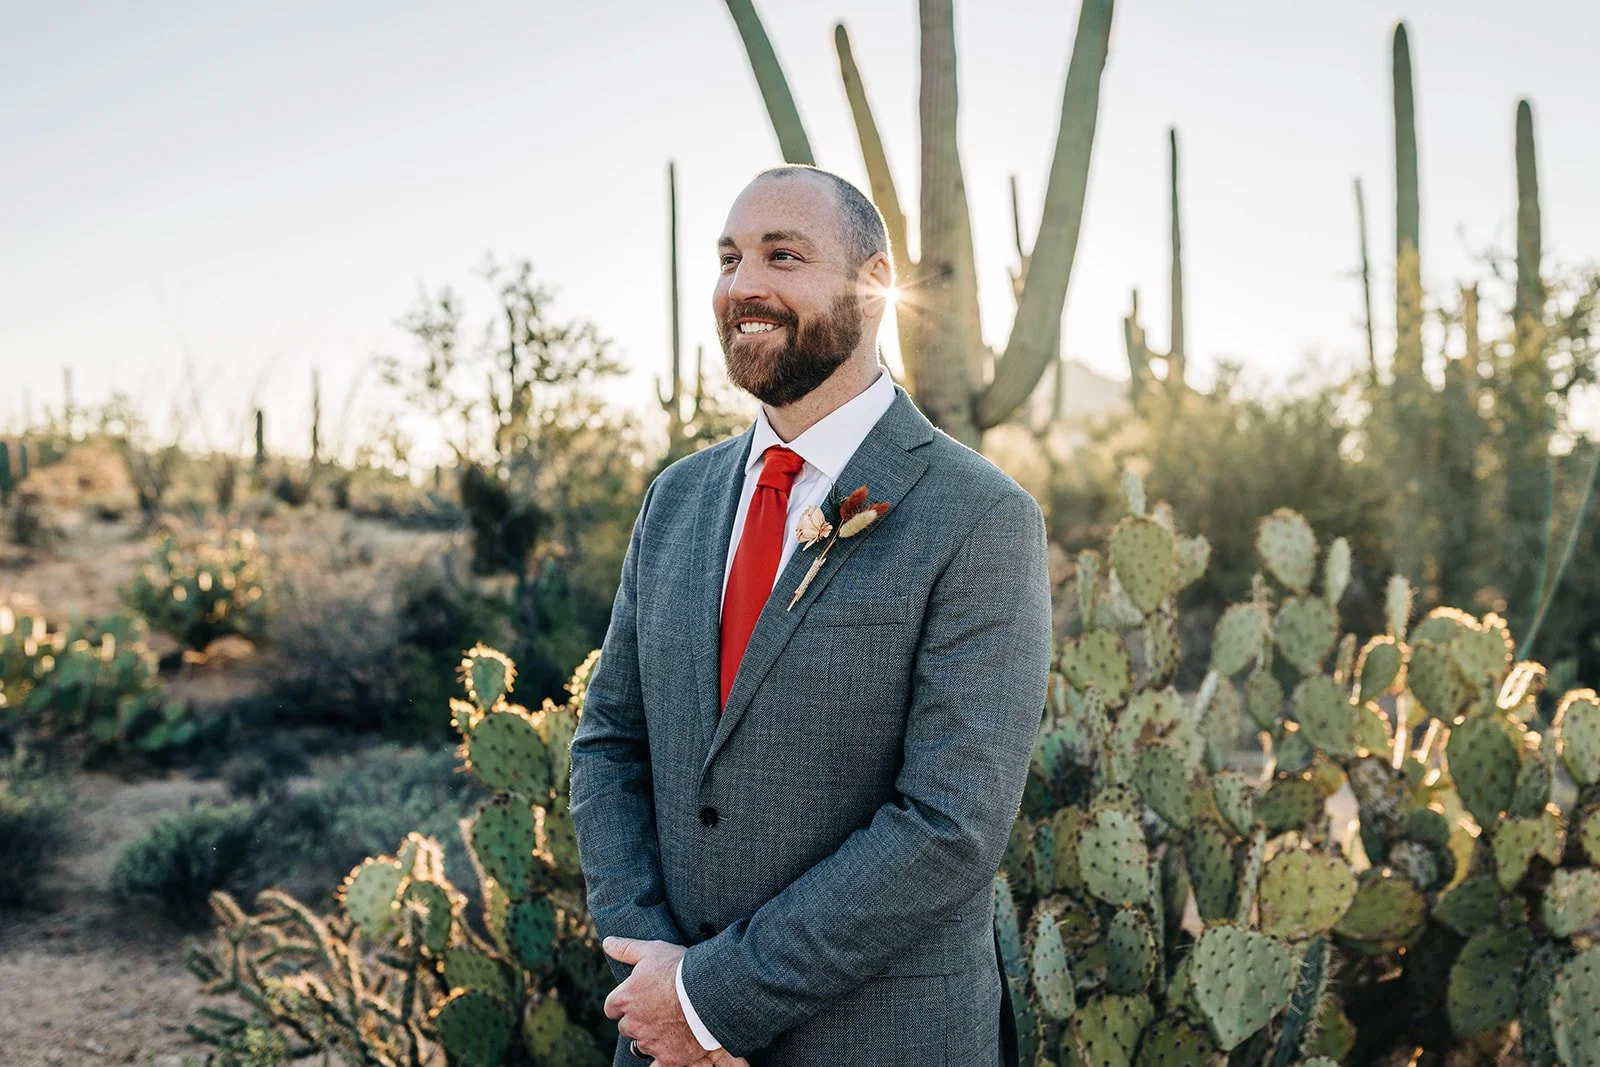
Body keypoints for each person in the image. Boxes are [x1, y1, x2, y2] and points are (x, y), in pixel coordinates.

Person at [568, 163, 1053, 1067]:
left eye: (782, 255)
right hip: (663, 1040)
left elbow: (951, 824)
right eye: (728, 258)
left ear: (874, 287)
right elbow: (609, 742)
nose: (744, 284)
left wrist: (712, 1000)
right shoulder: (675, 499)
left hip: (881, 1042)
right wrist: (656, 977)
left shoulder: (981, 517)